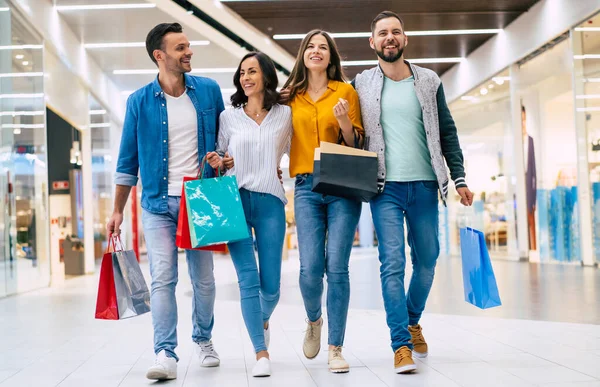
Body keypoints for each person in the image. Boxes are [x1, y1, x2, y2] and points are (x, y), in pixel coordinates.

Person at [352, 11, 474, 374]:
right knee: (392, 264)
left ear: (405, 40)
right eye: (382, 33)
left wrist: (460, 178)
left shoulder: (428, 80)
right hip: (383, 187)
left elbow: (447, 133)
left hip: (424, 184)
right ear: (372, 43)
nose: (390, 38)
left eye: (396, 32)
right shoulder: (362, 84)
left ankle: (412, 319)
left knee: (428, 259)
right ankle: (400, 344)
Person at [107, 23, 223, 381]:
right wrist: (116, 210)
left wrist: (227, 160)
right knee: (162, 279)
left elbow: (226, 139)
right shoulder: (139, 101)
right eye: (180, 48)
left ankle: (203, 340)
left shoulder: (208, 91)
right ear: (160, 56)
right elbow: (128, 162)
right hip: (157, 203)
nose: (188, 52)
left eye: (188, 47)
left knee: (203, 279)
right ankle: (165, 352)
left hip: (201, 197)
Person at [282, 30, 364, 374]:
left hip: (343, 184)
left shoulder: (346, 92)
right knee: (310, 269)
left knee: (338, 268)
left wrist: (344, 120)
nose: (317, 52)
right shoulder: (290, 97)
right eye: (311, 47)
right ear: (303, 55)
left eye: (323, 48)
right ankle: (314, 319)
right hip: (305, 186)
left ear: (331, 57)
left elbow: (356, 142)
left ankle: (336, 347)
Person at [206, 52, 292, 378]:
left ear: (266, 76)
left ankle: (262, 318)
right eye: (242, 72)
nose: (245, 77)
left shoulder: (285, 115)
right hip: (234, 201)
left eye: (252, 71)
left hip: (270, 201)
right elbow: (218, 154)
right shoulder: (228, 117)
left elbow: (295, 153)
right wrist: (220, 162)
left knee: (271, 288)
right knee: (248, 281)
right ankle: (261, 351)